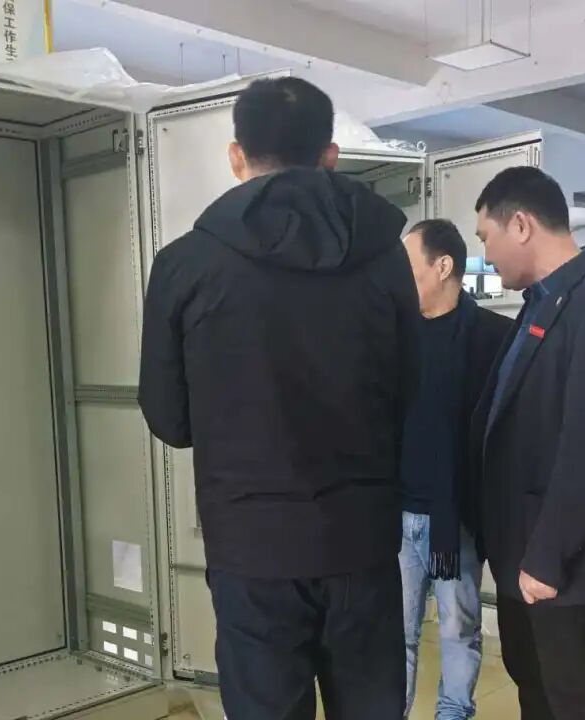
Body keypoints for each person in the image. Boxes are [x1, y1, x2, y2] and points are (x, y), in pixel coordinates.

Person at [137, 77, 419, 720]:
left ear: (236, 156)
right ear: (330, 156)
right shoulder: (384, 259)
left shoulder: (186, 265)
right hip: (362, 539)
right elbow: (409, 390)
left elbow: (169, 419)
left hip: (252, 546)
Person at [471, 166, 585, 720]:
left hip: (567, 567)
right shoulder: (543, 301)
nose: (486, 255)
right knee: (537, 691)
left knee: (578, 701)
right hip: (525, 556)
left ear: (520, 225)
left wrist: (548, 558)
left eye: (486, 237)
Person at [399, 219, 513, 720]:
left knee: (457, 631)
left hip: (456, 518)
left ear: (442, 266)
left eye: (408, 265)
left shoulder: (492, 337)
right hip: (397, 516)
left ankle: (453, 713)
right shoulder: (396, 335)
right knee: (395, 637)